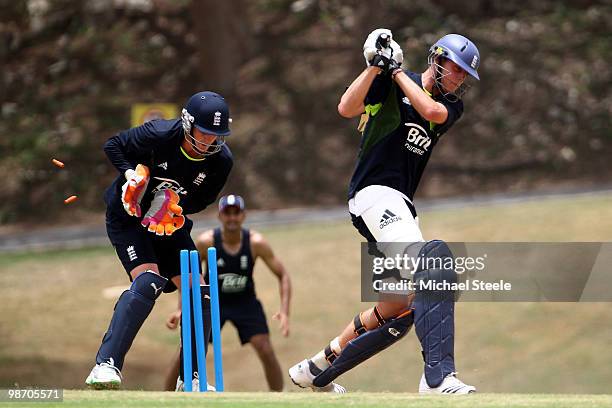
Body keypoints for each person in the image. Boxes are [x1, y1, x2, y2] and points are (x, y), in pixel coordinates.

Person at [288, 29, 481, 394]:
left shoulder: (449, 105)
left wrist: (395, 72)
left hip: (399, 205)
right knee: (435, 264)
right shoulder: (392, 83)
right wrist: (376, 68)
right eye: (455, 69)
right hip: (375, 195)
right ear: (436, 59)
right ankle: (437, 377)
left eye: (464, 75)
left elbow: (432, 111)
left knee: (397, 307)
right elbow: (346, 108)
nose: (459, 79)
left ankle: (316, 370)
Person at [85, 91, 234, 389]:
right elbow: (113, 145)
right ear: (188, 123)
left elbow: (202, 199)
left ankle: (190, 378)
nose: (207, 142)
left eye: (215, 136)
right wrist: (130, 176)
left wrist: (172, 206)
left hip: (168, 222)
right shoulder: (159, 133)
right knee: (147, 281)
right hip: (128, 217)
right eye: (203, 133)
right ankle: (105, 366)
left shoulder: (221, 162)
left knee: (201, 291)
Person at [164, 194, 292, 391]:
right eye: (227, 213)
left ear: (243, 215)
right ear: (220, 216)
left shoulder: (255, 242)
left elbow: (283, 275)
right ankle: (166, 396)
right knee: (188, 351)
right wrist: (182, 309)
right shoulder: (206, 242)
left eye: (236, 213)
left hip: (245, 302)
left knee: (265, 348)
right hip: (211, 301)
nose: (232, 218)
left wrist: (284, 311)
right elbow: (189, 275)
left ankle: (279, 397)